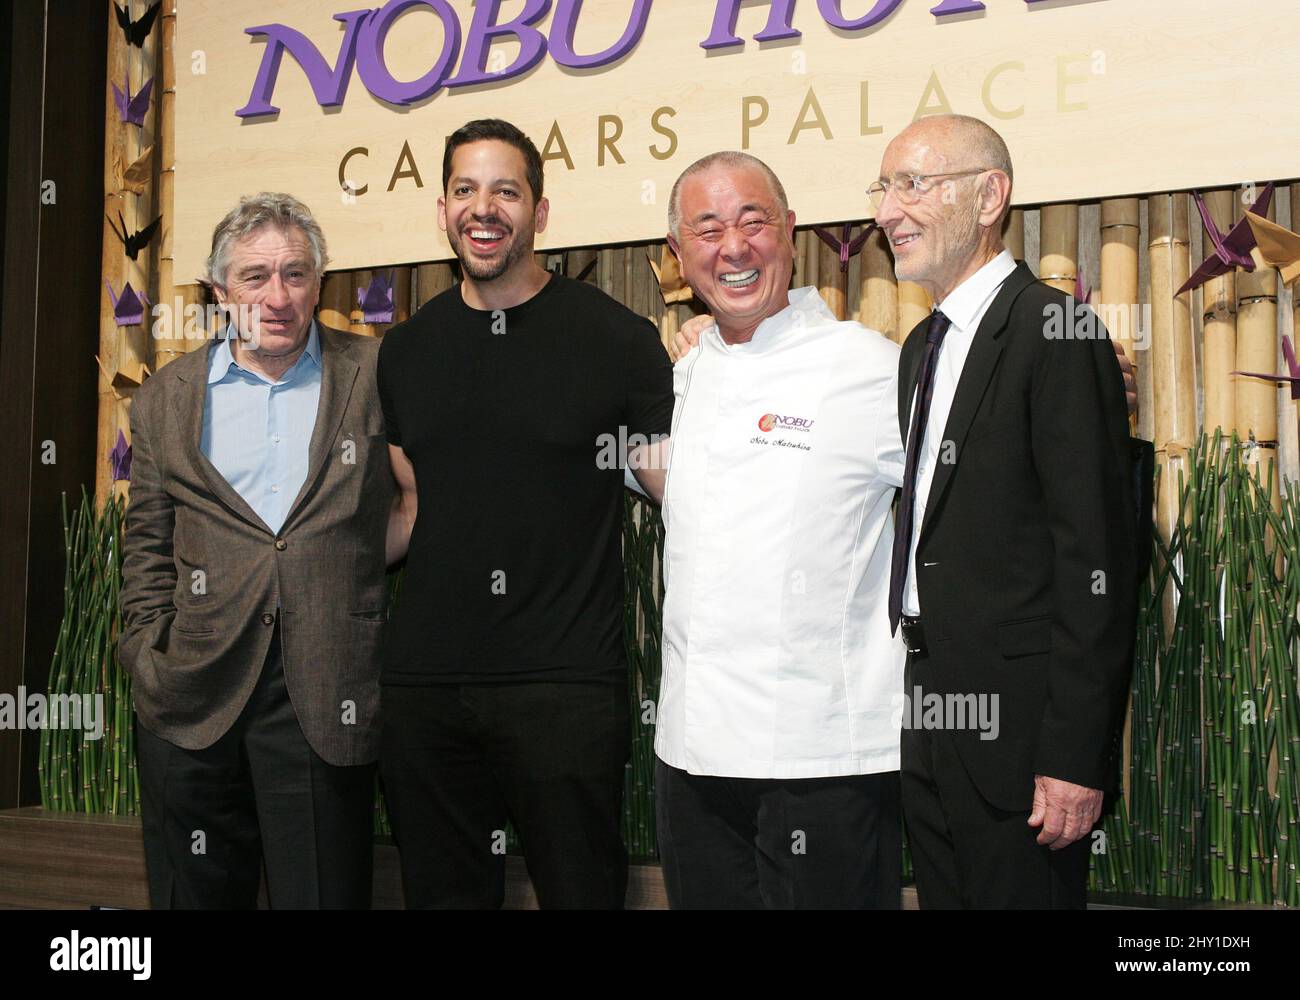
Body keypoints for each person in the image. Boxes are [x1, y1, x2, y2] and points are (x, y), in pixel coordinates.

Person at [378, 119, 673, 909]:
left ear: (540, 213)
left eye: (506, 190)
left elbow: (678, 491)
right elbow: (408, 506)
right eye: (467, 190)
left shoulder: (617, 339)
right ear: (442, 210)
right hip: (425, 691)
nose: (485, 208)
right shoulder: (404, 352)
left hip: (565, 687)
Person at [875, 114, 1137, 908]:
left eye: (913, 184)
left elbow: (1098, 560)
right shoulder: (921, 347)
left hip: (1024, 744)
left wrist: (1074, 755)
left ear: (990, 196)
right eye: (883, 188)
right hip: (930, 720)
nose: (888, 211)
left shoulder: (1054, 331)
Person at [119, 192, 394, 908]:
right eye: (255, 277)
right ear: (218, 292)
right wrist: (149, 653)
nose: (278, 296)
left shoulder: (373, 376)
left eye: (296, 274)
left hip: (323, 689)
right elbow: (146, 544)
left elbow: (423, 499)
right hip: (192, 698)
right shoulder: (164, 400)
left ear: (319, 282)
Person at [647, 151, 907, 909]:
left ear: (791, 233)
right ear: (679, 256)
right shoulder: (684, 372)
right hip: (691, 755)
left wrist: (1083, 376)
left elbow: (975, 483)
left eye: (754, 222)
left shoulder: (868, 366)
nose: (734, 247)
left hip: (822, 755)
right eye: (708, 229)